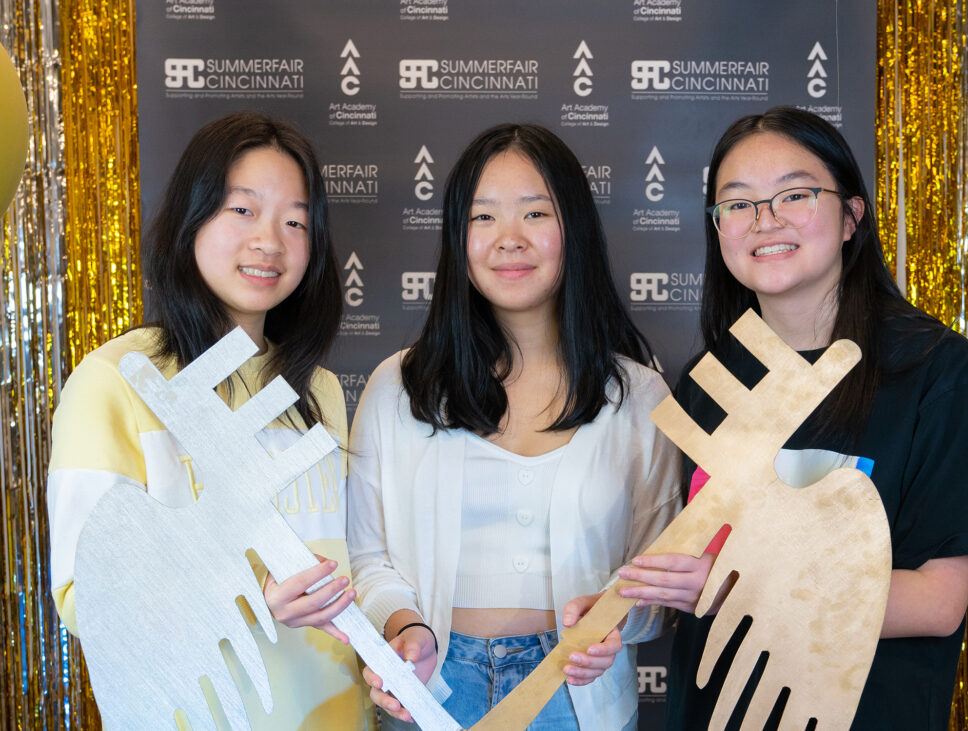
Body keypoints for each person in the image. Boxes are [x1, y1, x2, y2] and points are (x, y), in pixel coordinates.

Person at [616, 106, 968, 729]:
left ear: (850, 215)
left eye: (794, 194)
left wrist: (735, 588)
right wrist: (613, 607)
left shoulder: (933, 369)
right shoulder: (710, 381)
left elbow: (937, 601)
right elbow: (690, 560)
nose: (764, 221)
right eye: (737, 204)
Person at [346, 123, 681, 730]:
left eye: (534, 213)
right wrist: (406, 630)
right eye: (483, 218)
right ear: (458, 237)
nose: (509, 239)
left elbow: (658, 575)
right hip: (435, 690)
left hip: (579, 697)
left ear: (572, 230)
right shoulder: (399, 386)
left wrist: (612, 620)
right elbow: (367, 557)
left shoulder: (637, 396)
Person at [47, 112, 375, 730]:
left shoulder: (320, 391)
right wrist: (249, 603)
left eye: (296, 221)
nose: (270, 241)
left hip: (335, 713)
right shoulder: (116, 379)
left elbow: (351, 569)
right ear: (191, 220)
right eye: (242, 211)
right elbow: (86, 601)